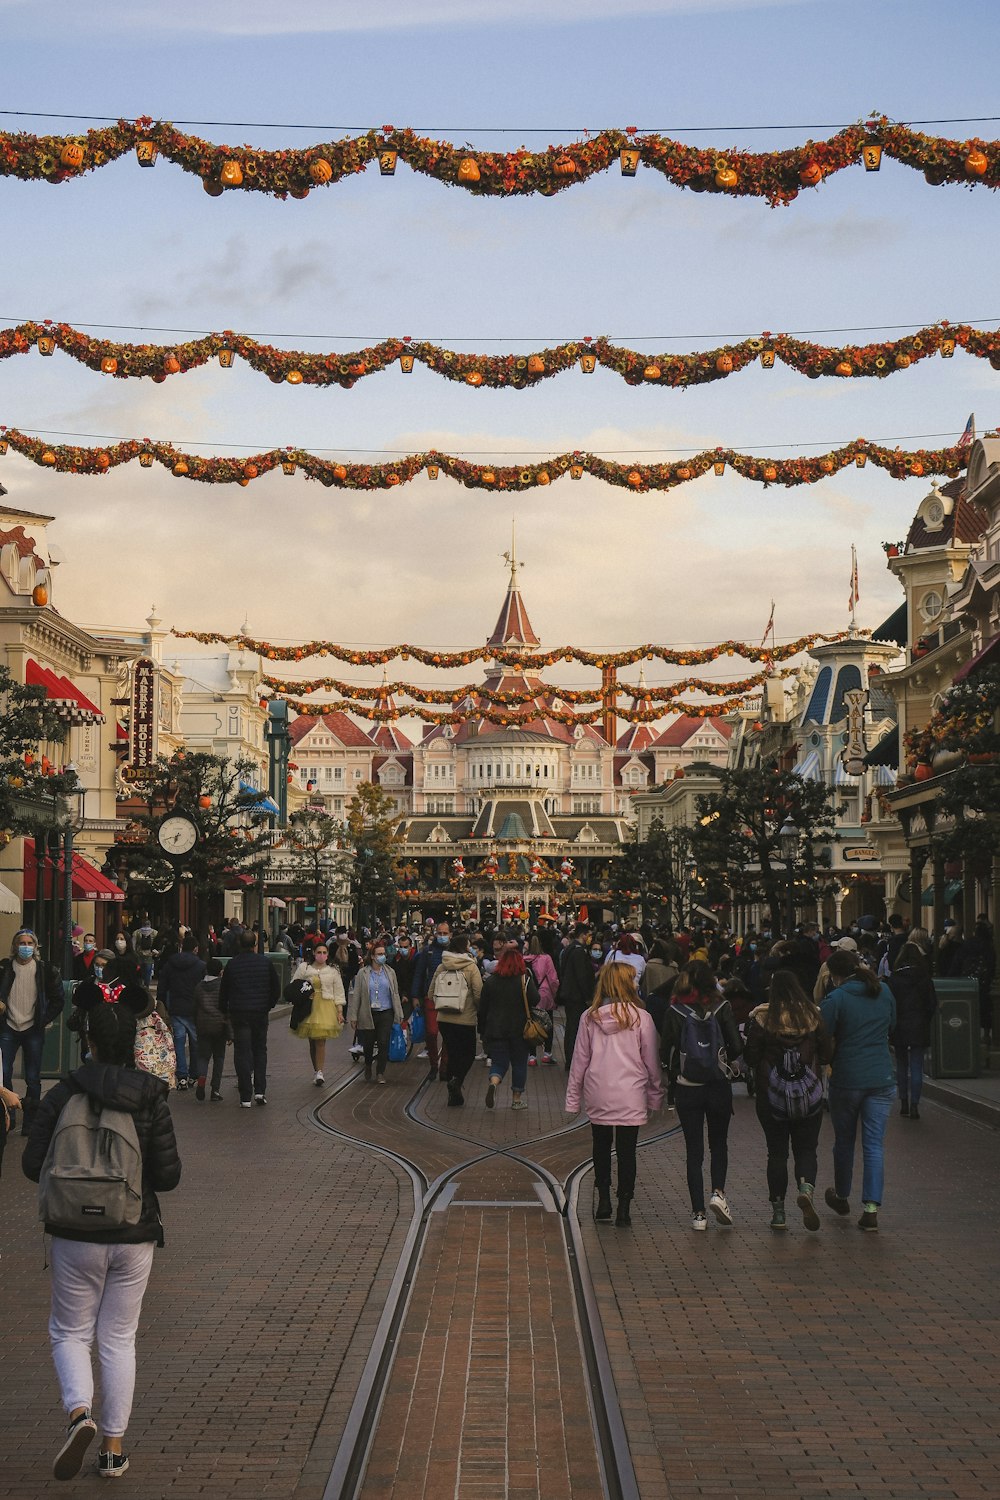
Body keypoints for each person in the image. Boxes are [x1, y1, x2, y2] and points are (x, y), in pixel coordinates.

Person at [21, 1002, 181, 1480]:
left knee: (69, 1331)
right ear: (133, 1044)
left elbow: (32, 1165)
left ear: (88, 1043)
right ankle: (113, 1450)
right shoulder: (151, 1095)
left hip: (73, 1234)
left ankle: (79, 1413)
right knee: (118, 1338)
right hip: (133, 1231)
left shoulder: (63, 1092)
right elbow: (168, 1176)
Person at [565, 961, 662, 1227]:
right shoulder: (642, 1018)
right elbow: (651, 1062)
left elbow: (579, 1061)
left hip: (598, 1090)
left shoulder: (589, 1017)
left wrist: (573, 1099)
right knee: (627, 1151)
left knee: (601, 1145)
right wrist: (655, 1096)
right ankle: (624, 1206)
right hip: (631, 1092)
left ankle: (604, 1199)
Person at [744, 970, 834, 1231]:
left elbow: (750, 1056)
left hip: (772, 1096)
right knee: (806, 1149)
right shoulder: (813, 1016)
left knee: (777, 1152)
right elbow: (827, 1053)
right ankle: (806, 1188)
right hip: (808, 1095)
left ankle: (779, 1212)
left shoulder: (762, 1018)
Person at [660, 960, 743, 1231]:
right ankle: (718, 1193)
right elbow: (736, 1045)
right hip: (718, 1086)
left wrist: (673, 1076)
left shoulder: (675, 1010)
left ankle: (698, 1214)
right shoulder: (722, 1007)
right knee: (719, 1144)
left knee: (693, 1151)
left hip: (688, 1088)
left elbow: (665, 1051)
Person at [820, 950, 896, 1232]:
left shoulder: (836, 998)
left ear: (835, 975)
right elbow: (893, 1025)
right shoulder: (884, 991)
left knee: (844, 1140)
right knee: (874, 1144)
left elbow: (823, 1034)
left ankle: (841, 1195)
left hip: (848, 1077)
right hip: (881, 1075)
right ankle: (871, 1207)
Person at [0, 928, 65, 1138]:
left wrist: (44, 1019)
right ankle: (8, 1115)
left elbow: (58, 999)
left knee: (32, 1077)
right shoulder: (5, 968)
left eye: (29, 943)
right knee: (4, 1074)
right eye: (21, 943)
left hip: (33, 1029)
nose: (25, 947)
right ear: (14, 945)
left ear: (36, 947)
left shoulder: (45, 970)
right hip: (8, 1026)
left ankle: (30, 1122)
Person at [219, 931, 280, 1107]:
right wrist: (268, 1005)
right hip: (260, 1012)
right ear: (255, 944)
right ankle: (260, 1090)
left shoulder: (232, 964)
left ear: (239, 944)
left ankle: (245, 1095)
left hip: (239, 1013)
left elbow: (224, 992)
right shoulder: (265, 963)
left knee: (242, 1052)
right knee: (260, 1049)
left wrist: (225, 1011)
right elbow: (275, 989)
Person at [478, 944, 541, 1111]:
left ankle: (494, 1082)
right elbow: (535, 999)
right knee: (519, 1064)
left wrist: (482, 1030)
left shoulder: (491, 982)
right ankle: (516, 1099)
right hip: (520, 1030)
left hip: (496, 1029)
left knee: (499, 1062)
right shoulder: (524, 980)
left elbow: (482, 1007)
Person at [427, 932, 482, 1106]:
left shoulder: (442, 966)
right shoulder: (471, 966)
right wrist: (477, 1009)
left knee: (451, 1052)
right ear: (464, 948)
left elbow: (430, 993)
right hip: (465, 1018)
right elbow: (478, 993)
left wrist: (443, 1004)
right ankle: (457, 1081)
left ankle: (453, 1092)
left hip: (444, 1019)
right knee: (468, 1053)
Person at [887, 941, 937, 1120]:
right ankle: (915, 1104)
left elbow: (890, 1004)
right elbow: (932, 1004)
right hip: (919, 1024)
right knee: (917, 1065)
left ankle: (903, 1103)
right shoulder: (925, 978)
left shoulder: (894, 978)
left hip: (900, 1024)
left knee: (901, 1064)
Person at [348, 938, 403, 1084]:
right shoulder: (363, 973)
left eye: (383, 953)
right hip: (369, 1012)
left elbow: (395, 993)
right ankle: (367, 1064)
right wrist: (353, 1016)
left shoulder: (390, 972)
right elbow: (357, 995)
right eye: (379, 954)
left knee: (383, 1042)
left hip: (386, 1011)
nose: (382, 956)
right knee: (369, 1043)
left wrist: (399, 1013)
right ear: (372, 956)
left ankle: (380, 1072)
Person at [291, 942, 345, 1086]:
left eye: (324, 953)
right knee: (312, 1041)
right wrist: (304, 994)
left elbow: (338, 992)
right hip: (309, 1007)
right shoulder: (305, 968)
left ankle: (320, 1071)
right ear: (314, 953)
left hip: (326, 1006)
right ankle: (316, 1070)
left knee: (320, 1040)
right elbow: (294, 984)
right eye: (319, 952)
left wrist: (340, 1011)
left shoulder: (333, 971)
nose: (322, 955)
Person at [157, 933, 206, 1090]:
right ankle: (194, 1074)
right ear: (196, 949)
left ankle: (181, 1076)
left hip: (176, 1007)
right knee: (195, 1042)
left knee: (178, 1041)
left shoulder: (171, 964)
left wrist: (162, 1001)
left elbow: (162, 985)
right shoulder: (200, 966)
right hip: (194, 1008)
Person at [411, 919, 450, 1081]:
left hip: (450, 998)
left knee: (448, 1035)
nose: (442, 936)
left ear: (450, 934)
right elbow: (419, 974)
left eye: (445, 934)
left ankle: (445, 1067)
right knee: (432, 1033)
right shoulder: (427, 952)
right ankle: (434, 1064)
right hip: (430, 997)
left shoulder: (456, 952)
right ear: (435, 934)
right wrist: (415, 995)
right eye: (439, 933)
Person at [558, 923, 597, 1070]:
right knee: (575, 1028)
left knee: (571, 1028)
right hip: (577, 997)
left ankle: (570, 1059)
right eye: (589, 935)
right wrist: (588, 996)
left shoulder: (570, 949)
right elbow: (582, 976)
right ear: (583, 935)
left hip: (570, 994)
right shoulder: (579, 952)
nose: (590, 938)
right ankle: (572, 1061)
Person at [193, 958, 229, 1101]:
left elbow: (194, 1007)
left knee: (203, 1057)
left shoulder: (199, 987)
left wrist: (196, 1022)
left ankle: (201, 1081)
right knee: (219, 1057)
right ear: (220, 971)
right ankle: (215, 1090)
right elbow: (227, 1009)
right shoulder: (223, 986)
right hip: (219, 1026)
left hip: (203, 1025)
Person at [525, 934, 559, 1066]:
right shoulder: (546, 958)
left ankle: (532, 1056)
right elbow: (553, 978)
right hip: (545, 993)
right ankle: (547, 1053)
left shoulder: (524, 959)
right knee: (547, 1023)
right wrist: (555, 993)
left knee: (531, 1023)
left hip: (529, 994)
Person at [130, 919, 158, 986]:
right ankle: (147, 985)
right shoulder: (155, 932)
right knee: (148, 971)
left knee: (140, 971)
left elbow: (133, 944)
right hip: (150, 954)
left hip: (139, 954)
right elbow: (157, 943)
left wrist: (134, 953)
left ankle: (141, 985)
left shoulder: (136, 932)